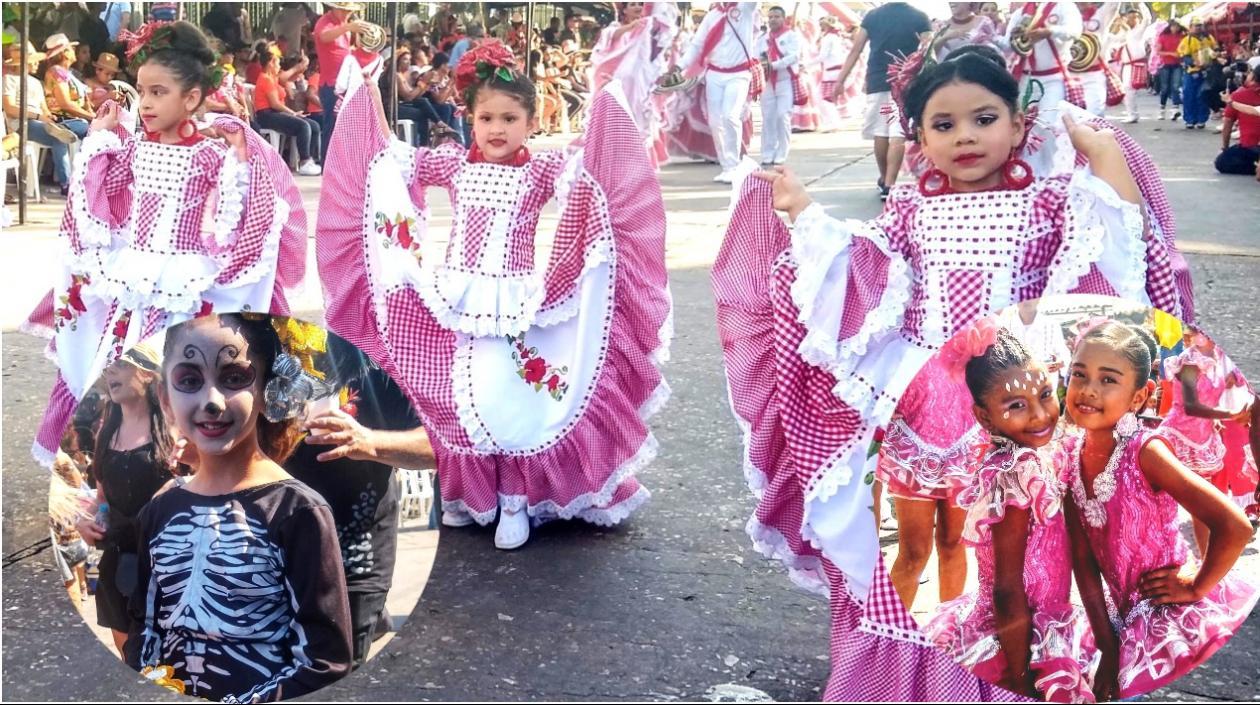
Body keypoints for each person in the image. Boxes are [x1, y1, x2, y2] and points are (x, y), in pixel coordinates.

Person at [712, 49, 1189, 701]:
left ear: (1020, 125)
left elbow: (1105, 263)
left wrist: (1100, 152)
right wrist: (805, 214)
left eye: (984, 117)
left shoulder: (1049, 203)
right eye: (943, 124)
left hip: (1009, 405)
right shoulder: (911, 208)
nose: (964, 135)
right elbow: (871, 271)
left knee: (1002, 562)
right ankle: (891, 681)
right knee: (909, 554)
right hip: (920, 401)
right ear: (918, 139)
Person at [317, 41, 671, 550]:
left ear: (532, 122)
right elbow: (388, 158)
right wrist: (366, 94)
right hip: (456, 297)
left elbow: (591, 171)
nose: (497, 129)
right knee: (456, 397)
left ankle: (514, 501)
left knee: (507, 398)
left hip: (515, 303)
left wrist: (607, 106)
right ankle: (465, 497)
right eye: (486, 117)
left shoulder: (540, 171)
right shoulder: (454, 165)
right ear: (471, 119)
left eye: (510, 118)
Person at [25, 21, 308, 467]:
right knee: (124, 387)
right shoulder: (133, 149)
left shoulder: (212, 154)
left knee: (183, 385)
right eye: (143, 91)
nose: (148, 103)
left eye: (159, 92)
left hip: (185, 287)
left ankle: (186, 474)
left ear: (191, 98)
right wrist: (102, 139)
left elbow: (247, 220)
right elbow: (94, 205)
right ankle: (126, 475)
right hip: (135, 285)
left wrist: (239, 156)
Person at [125, 314, 353, 700]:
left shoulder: (298, 511)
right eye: (189, 380)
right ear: (166, 398)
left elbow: (324, 661)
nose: (211, 401)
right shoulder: (159, 510)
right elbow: (143, 628)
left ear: (269, 391)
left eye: (233, 378)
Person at [1062, 321, 1256, 699]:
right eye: (1079, 374)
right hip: (1118, 618)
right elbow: (1082, 557)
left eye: (1108, 380)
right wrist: (1106, 643)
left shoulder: (1146, 452)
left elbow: (1235, 526)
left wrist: (1197, 584)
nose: (1088, 389)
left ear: (1139, 397)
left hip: (1167, 615)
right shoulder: (1068, 458)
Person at [924, 325, 1096, 702]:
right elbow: (1007, 587)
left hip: (1042, 621)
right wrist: (1017, 677)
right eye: (1016, 405)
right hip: (1019, 637)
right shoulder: (1015, 471)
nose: (1039, 415)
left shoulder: (1037, 456)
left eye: (1045, 394)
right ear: (985, 419)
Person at [287, 333, 433, 668]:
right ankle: (372, 618)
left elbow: (438, 445)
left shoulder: (374, 356)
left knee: (333, 671)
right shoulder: (257, 349)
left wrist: (370, 441)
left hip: (355, 554)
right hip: (276, 550)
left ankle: (366, 618)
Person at [72, 344, 175, 657]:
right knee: (131, 657)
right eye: (106, 366)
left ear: (146, 373)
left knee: (175, 660)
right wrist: (88, 523)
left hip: (169, 563)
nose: (108, 371)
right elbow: (103, 500)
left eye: (118, 363)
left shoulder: (176, 427)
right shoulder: (106, 433)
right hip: (120, 563)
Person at [1159, 328, 1251, 553]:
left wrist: (1226, 394)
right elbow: (1191, 407)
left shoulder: (1218, 358)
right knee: (1186, 504)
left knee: (1201, 507)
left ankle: (1205, 563)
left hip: (1203, 438)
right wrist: (1230, 415)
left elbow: (1210, 397)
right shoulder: (1189, 362)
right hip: (1179, 437)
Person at [831, 1, 932, 199]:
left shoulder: (872, 16)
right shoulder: (919, 16)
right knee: (897, 131)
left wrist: (840, 80)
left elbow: (856, 49)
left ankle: (884, 178)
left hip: (879, 82)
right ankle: (890, 184)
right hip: (906, 82)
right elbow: (928, 49)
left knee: (882, 129)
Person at [674, 1, 759, 183]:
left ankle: (735, 165)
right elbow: (697, 45)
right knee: (715, 121)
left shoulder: (745, 8)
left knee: (730, 116)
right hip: (714, 74)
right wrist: (678, 66)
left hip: (739, 73)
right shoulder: (711, 16)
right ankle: (727, 166)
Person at [589, 1, 678, 169]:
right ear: (624, 9)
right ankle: (616, 163)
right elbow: (609, 38)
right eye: (633, 4)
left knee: (640, 121)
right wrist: (632, 28)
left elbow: (666, 31)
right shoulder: (616, 28)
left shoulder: (649, 28)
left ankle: (639, 164)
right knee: (618, 122)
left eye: (640, 4)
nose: (638, 7)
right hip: (618, 86)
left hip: (641, 86)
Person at [2, 41, 78, 197]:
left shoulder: (37, 83)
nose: (37, 64)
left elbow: (43, 108)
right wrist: (38, 116)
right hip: (20, 124)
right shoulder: (9, 79)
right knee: (57, 135)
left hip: (40, 121)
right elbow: (9, 108)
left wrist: (49, 116)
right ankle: (66, 183)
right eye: (33, 61)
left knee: (59, 137)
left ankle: (67, 183)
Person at [1003, 2, 1084, 130]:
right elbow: (1007, 44)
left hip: (1053, 78)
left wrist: (1050, 31)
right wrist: (1015, 36)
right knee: (1021, 125)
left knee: (1048, 125)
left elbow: (1075, 31)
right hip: (1025, 78)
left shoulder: (1064, 6)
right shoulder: (1020, 13)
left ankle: (1049, 150)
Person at [314, 2, 371, 164]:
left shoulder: (344, 25)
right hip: (330, 84)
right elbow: (324, 36)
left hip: (346, 84)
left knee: (347, 127)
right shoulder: (324, 22)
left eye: (349, 11)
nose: (347, 14)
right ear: (334, 8)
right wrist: (348, 28)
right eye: (344, 10)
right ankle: (328, 166)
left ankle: (343, 166)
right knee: (331, 127)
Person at [255, 44, 322, 175]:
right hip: (266, 115)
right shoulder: (265, 79)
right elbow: (274, 104)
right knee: (303, 126)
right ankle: (304, 161)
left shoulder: (273, 78)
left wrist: (302, 65)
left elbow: (289, 76)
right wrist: (292, 113)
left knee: (314, 126)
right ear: (270, 63)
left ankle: (314, 161)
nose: (280, 66)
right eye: (278, 63)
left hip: (275, 113)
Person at [755, 6, 801, 166]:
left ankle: (782, 152)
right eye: (771, 17)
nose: (773, 19)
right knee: (768, 118)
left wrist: (773, 65)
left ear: (783, 18)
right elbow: (756, 57)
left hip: (784, 81)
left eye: (776, 16)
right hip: (767, 83)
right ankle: (767, 152)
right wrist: (761, 66)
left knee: (783, 117)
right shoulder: (762, 39)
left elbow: (794, 56)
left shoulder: (791, 36)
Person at [42, 33, 95, 138]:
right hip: (64, 121)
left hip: (75, 119)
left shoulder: (67, 73)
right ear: (64, 53)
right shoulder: (57, 72)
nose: (74, 50)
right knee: (103, 132)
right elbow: (65, 104)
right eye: (72, 48)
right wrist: (92, 117)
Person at [1217, 66, 1260, 178]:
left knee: (1221, 162)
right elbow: (1253, 110)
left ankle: (1254, 167)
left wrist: (1225, 148)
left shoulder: (1239, 94)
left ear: (1253, 77)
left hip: (1250, 147)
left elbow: (1227, 124)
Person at [1115, 5, 1153, 123]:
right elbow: (1114, 39)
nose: (1132, 20)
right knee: (1126, 89)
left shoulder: (1139, 31)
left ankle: (1132, 114)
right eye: (1129, 17)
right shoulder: (1126, 33)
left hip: (1135, 64)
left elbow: (1147, 19)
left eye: (1134, 17)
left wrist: (1141, 4)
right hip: (1126, 65)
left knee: (1129, 89)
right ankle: (1131, 113)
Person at [1179, 20, 1217, 129]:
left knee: (1203, 96)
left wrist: (1217, 54)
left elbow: (1215, 49)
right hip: (1192, 72)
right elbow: (1184, 56)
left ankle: (1202, 119)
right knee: (1189, 96)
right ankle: (1190, 120)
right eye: (1196, 26)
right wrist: (1193, 62)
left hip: (1206, 72)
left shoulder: (1208, 38)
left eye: (1200, 25)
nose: (1198, 28)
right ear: (1190, 27)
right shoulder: (1187, 40)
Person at [1156, 20, 1186, 120]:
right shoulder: (1163, 37)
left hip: (1177, 64)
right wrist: (1171, 53)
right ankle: (1162, 109)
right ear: (1170, 27)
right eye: (1173, 26)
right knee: (1164, 88)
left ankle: (1175, 109)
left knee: (1176, 87)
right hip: (1165, 64)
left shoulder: (1182, 37)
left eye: (1177, 26)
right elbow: (1158, 51)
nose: (1175, 28)